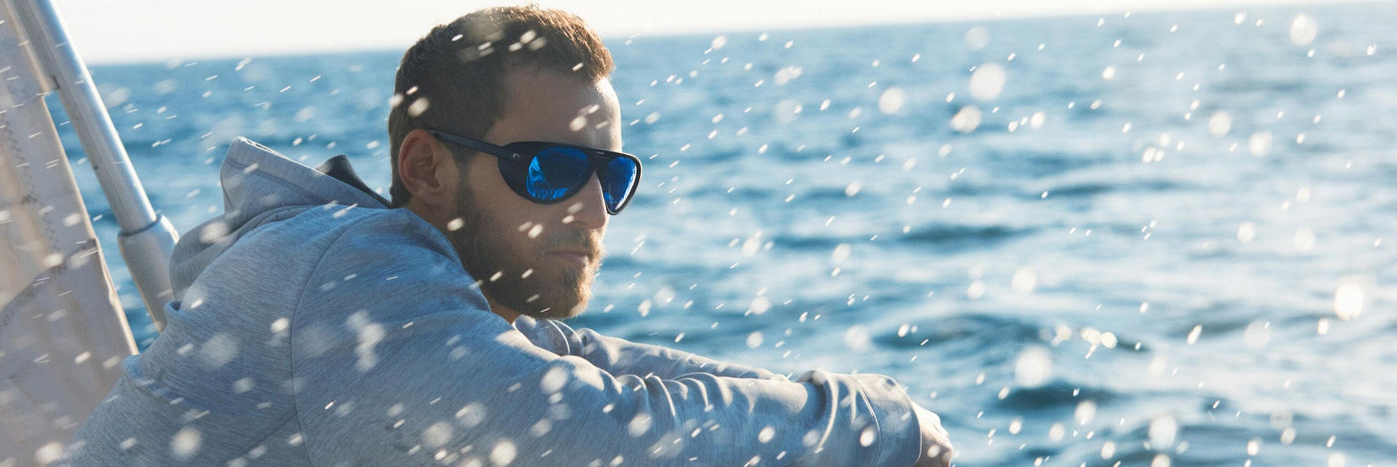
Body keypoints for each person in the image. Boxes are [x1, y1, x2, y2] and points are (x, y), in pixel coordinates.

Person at [69, 6, 952, 465]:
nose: (593, 209)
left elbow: (596, 362)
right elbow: (594, 427)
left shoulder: (410, 289)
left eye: (609, 175)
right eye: (549, 170)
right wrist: (871, 428)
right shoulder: (348, 274)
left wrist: (857, 403)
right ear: (425, 168)